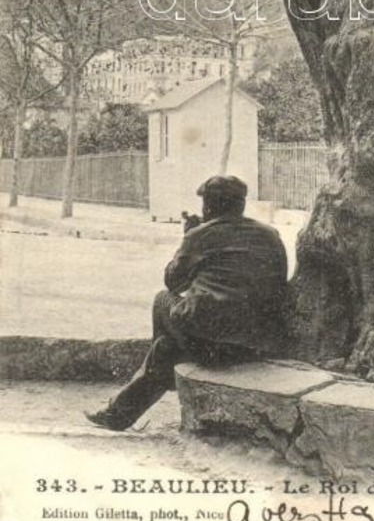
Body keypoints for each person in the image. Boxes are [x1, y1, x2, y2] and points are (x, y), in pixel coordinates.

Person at [86, 174, 288, 431]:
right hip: (260, 343)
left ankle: (160, 375)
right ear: (241, 205)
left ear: (208, 206)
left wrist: (191, 235)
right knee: (167, 344)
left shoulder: (201, 235)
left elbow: (174, 282)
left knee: (162, 306)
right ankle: (122, 410)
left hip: (212, 346)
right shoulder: (270, 235)